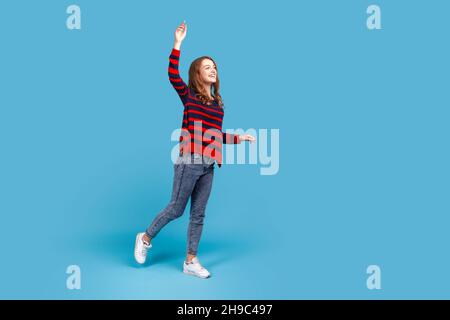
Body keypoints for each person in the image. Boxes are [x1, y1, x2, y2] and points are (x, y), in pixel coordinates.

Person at [134, 21, 256, 279]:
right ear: (197, 74)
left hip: (209, 164)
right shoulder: (189, 96)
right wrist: (177, 44)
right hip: (189, 160)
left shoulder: (218, 106)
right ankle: (145, 238)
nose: (213, 70)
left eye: (215, 67)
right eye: (207, 67)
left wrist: (238, 138)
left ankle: (190, 261)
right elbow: (171, 76)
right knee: (176, 208)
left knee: (198, 214)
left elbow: (215, 135)